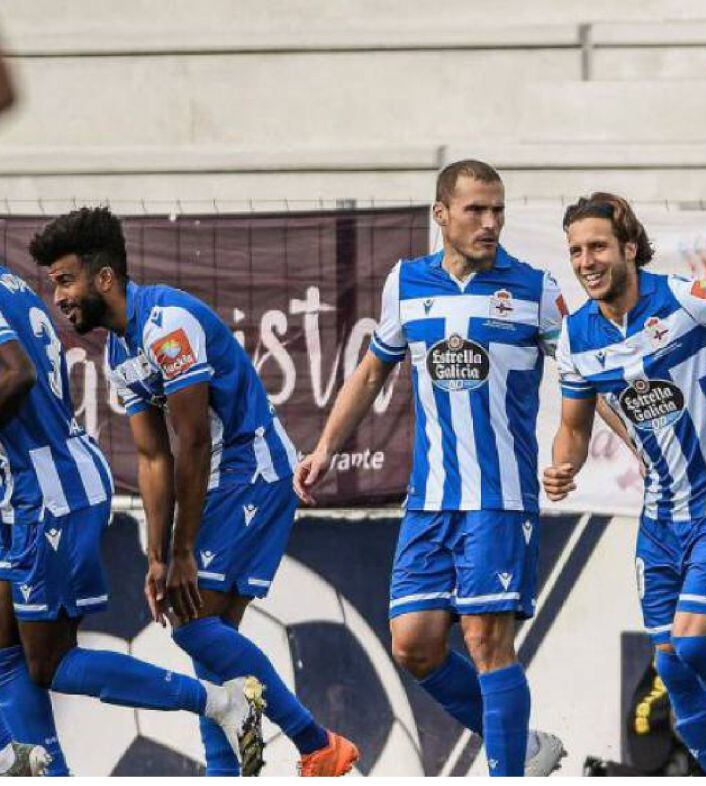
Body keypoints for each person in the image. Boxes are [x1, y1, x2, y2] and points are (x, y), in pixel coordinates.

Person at [30, 207, 357, 777]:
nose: (57, 297)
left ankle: (314, 741)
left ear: (104, 278)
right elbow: (154, 459)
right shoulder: (120, 352)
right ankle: (228, 772)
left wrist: (182, 553)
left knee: (192, 625)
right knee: (209, 636)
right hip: (225, 481)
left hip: (250, 471)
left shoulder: (168, 324)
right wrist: (159, 557)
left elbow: (194, 442)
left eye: (64, 280)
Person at [294, 160, 566, 778]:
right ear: (441, 214)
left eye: (498, 209)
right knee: (413, 644)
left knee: (486, 643)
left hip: (499, 498)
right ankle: (520, 745)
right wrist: (327, 447)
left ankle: (506, 771)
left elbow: (587, 377)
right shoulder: (407, 283)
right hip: (430, 500)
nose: (491, 222)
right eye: (476, 210)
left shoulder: (535, 288)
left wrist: (600, 449)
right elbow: (371, 371)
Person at [544, 191, 706, 776]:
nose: (587, 261)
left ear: (629, 249)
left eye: (599, 247)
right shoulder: (577, 336)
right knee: (672, 670)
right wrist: (564, 465)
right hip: (661, 514)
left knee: (692, 644)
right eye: (577, 250)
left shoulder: (686, 298)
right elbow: (572, 427)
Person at [0, 251, 266, 775]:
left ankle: (219, 702)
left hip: (49, 490)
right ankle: (38, 768)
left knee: (47, 661)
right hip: (28, 486)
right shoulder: (10, 284)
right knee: (6, 652)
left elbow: (16, 374)